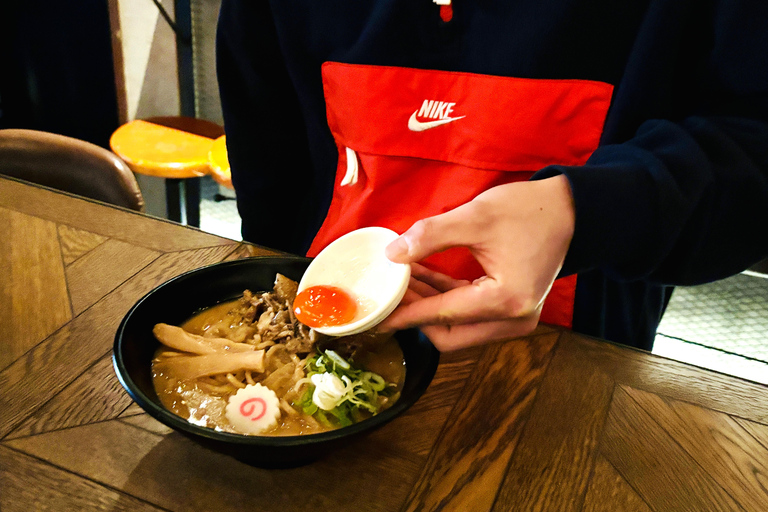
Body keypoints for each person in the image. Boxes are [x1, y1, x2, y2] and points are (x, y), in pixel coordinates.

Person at [216, 0, 768, 352]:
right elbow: (268, 152)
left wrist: (589, 210)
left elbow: (750, 144)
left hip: (580, 351)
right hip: (325, 335)